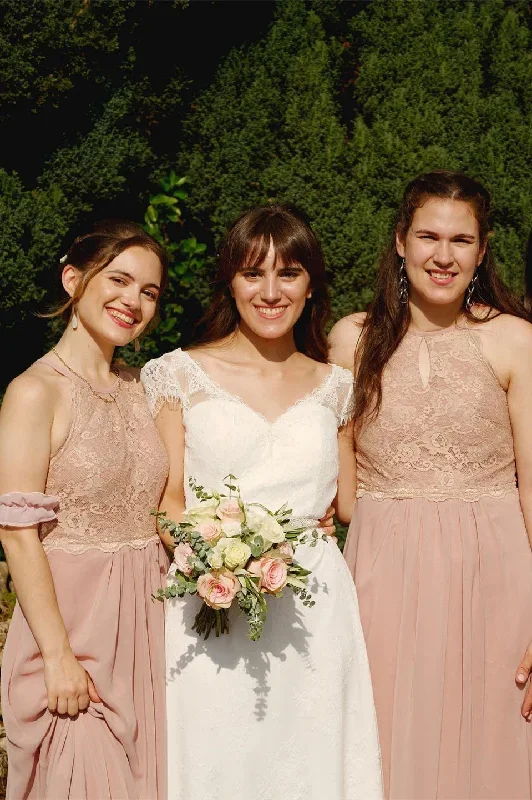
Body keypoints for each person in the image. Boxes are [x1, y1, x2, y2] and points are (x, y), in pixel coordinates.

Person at [141, 205, 383, 800]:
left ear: (310, 286)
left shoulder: (338, 387)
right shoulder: (178, 375)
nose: (271, 292)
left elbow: (351, 503)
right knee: (216, 760)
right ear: (230, 280)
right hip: (211, 602)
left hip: (315, 606)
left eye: (289, 273)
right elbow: (166, 501)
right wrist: (217, 559)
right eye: (254, 274)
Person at [329, 170, 532, 799]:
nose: (443, 256)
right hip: (381, 575)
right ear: (399, 240)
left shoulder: (514, 339)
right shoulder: (349, 340)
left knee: (492, 746)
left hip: (494, 574)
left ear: (482, 248)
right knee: (382, 744)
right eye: (428, 236)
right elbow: (335, 490)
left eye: (461, 241)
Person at [0, 220, 170, 799]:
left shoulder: (146, 388)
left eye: (149, 292)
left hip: (151, 628)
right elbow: (18, 535)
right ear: (74, 278)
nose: (134, 301)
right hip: (73, 634)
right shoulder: (34, 392)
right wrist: (58, 658)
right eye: (119, 280)